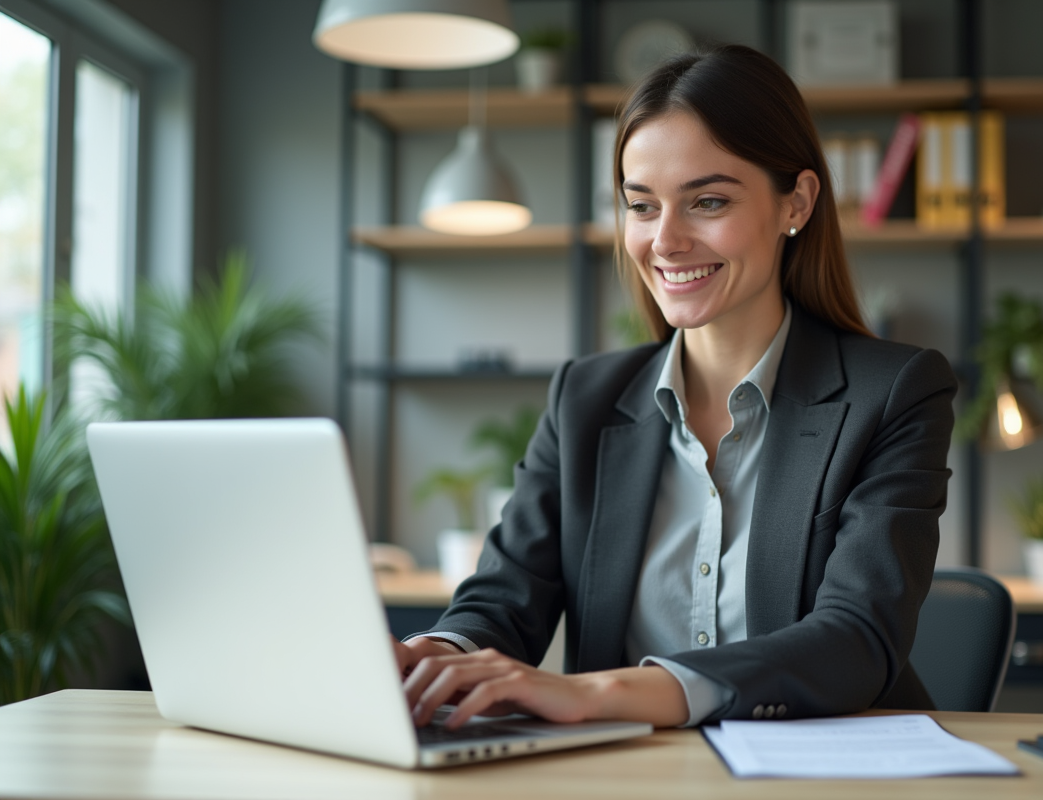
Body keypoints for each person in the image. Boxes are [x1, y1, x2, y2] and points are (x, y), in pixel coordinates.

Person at [394, 44, 956, 730]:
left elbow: (856, 638)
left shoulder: (894, 392)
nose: (664, 241)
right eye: (641, 205)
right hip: (631, 771)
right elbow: (504, 601)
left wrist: (602, 694)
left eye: (708, 201)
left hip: (822, 768)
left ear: (797, 202)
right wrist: (430, 658)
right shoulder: (584, 400)